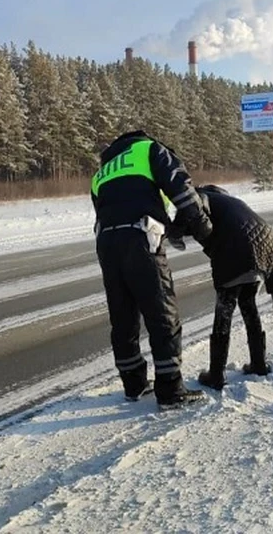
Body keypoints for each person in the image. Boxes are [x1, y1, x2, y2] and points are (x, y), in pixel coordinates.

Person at [91, 130, 214, 409]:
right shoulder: (151, 150)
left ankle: (134, 385)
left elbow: (108, 207)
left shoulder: (103, 169)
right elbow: (182, 189)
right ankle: (171, 391)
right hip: (141, 238)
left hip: (106, 243)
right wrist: (203, 227)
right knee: (162, 313)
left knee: (123, 316)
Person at [168, 185, 273, 390]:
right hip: (265, 239)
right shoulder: (233, 203)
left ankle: (216, 375)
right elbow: (261, 244)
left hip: (234, 248)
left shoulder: (201, 195)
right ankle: (259, 364)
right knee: (248, 305)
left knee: (224, 311)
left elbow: (191, 208)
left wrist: (174, 232)